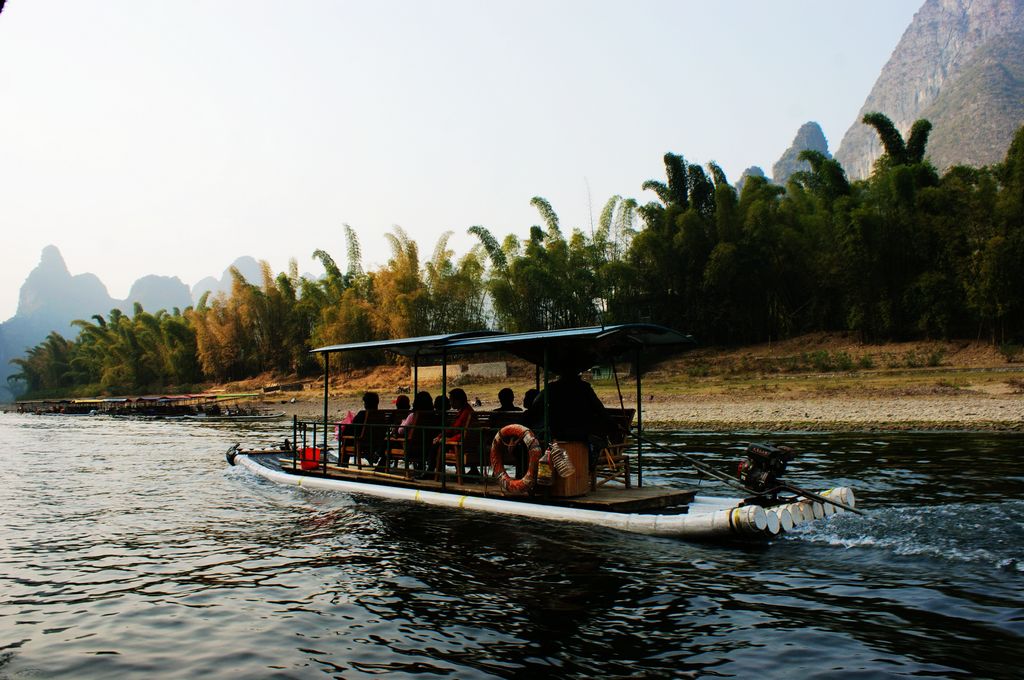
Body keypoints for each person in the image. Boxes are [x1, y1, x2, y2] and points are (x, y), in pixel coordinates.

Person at [432, 388, 479, 477]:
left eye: (451, 400)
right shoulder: (467, 410)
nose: (450, 403)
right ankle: (469, 470)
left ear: (458, 400)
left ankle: (432, 472)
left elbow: (454, 428)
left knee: (437, 445)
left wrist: (441, 437)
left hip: (462, 443)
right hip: (470, 443)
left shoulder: (465, 413)